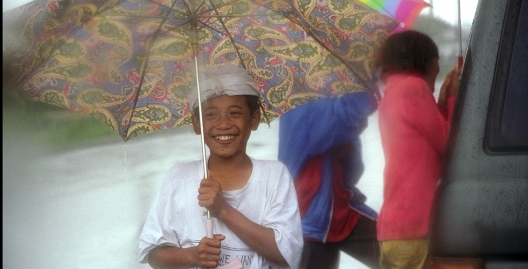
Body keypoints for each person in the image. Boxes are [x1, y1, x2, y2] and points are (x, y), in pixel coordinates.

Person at [138, 64, 303, 269]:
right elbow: (154, 255)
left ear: (254, 119)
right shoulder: (179, 178)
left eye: (234, 113)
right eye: (211, 115)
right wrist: (194, 256)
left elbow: (286, 254)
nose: (223, 124)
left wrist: (223, 210)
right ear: (197, 124)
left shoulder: (274, 175)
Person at [373, 30, 462, 269]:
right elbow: (448, 145)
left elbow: (423, 140)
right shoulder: (414, 88)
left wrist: (442, 105)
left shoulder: (393, 92)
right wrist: (454, 98)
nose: (438, 70)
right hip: (413, 227)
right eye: (437, 63)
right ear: (426, 62)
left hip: (394, 229)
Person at [278, 88, 381, 268]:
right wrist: (367, 86)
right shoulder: (301, 101)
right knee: (394, 254)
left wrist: (345, 151)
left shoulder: (322, 101)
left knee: (396, 253)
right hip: (309, 219)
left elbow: (353, 169)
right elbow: (348, 117)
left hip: (340, 211)